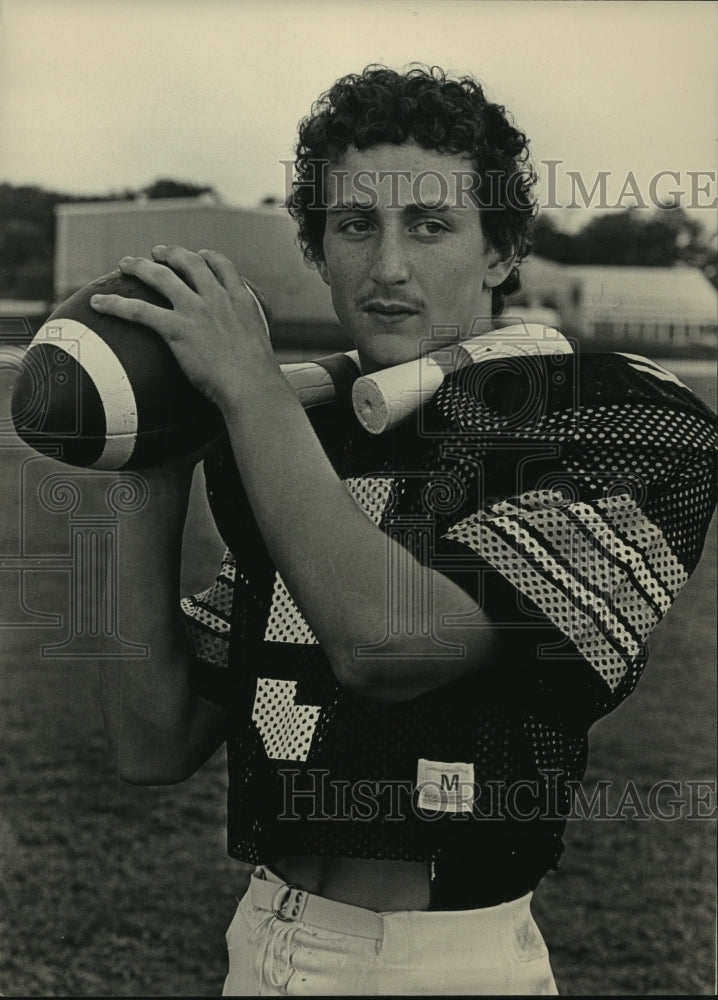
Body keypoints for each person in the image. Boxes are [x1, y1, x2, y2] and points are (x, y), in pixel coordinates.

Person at [91, 65, 717, 996]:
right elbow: (154, 741)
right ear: (319, 248)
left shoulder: (615, 419)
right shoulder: (307, 441)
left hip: (445, 960)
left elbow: (386, 640)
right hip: (261, 937)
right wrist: (149, 460)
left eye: (430, 225)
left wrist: (252, 387)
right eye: (354, 226)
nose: (387, 267)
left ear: (501, 252)